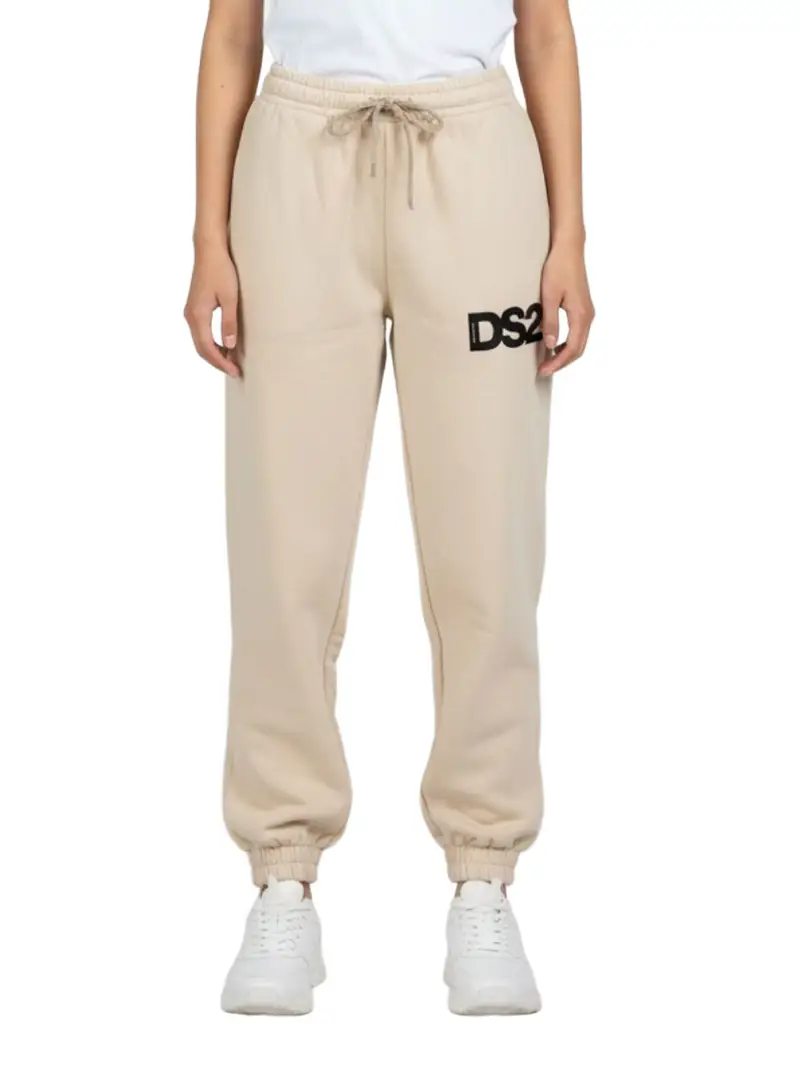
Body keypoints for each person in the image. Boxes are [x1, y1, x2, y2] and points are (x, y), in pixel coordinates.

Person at [185, 0, 594, 1016]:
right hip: (296, 163)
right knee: (284, 545)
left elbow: (544, 30)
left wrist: (570, 236)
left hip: (475, 164)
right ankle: (282, 872)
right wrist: (208, 235)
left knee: (486, 547)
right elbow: (233, 29)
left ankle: (484, 873)